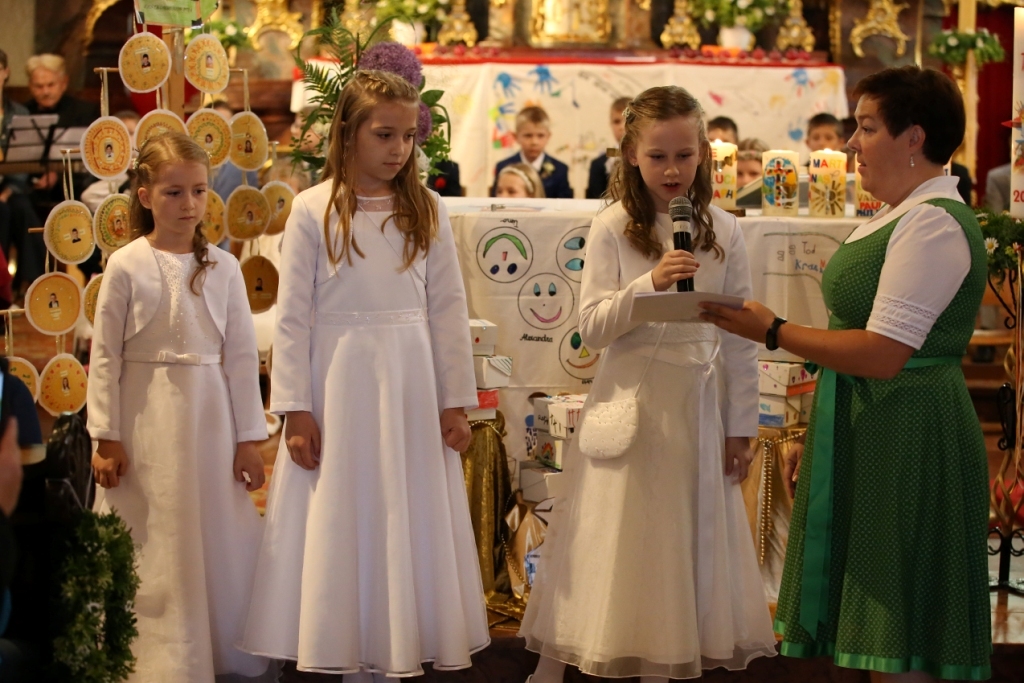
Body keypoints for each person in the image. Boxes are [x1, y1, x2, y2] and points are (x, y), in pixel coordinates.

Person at [700, 65, 992, 681]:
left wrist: (773, 330)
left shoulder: (933, 221)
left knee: (896, 628)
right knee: (868, 630)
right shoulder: (899, 213)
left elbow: (884, 353)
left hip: (909, 431)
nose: (852, 143)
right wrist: (820, 432)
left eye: (867, 127)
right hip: (872, 423)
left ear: (914, 137)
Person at [519, 86, 776, 683]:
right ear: (632, 155)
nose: (672, 170)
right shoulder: (613, 226)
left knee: (681, 543)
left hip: (697, 410)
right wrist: (649, 284)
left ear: (703, 153)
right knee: (618, 541)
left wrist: (741, 426)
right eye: (657, 156)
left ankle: (667, 662)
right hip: (631, 405)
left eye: (684, 155)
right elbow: (591, 329)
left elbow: (740, 341)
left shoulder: (724, 230)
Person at [240, 69, 488, 680]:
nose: (399, 149)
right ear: (349, 133)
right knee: (343, 510)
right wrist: (295, 409)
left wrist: (454, 400)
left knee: (404, 510)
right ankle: (343, 644)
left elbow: (448, 309)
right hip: (339, 385)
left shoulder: (426, 208)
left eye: (408, 137)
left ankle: (396, 644)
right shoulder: (311, 209)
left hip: (410, 386)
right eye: (384, 135)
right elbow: (292, 318)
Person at [88, 132, 273, 683]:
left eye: (198, 191)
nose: (189, 204)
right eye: (173, 192)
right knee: (152, 528)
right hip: (143, 420)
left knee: (210, 526)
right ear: (145, 196)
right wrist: (106, 434)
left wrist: (250, 438)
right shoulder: (125, 265)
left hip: (209, 421)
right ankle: (152, 653)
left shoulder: (225, 267)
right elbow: (105, 357)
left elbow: (241, 358)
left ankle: (217, 645)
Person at [0, 48, 44, 294]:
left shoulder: (19, 113)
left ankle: (29, 285)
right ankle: (4, 287)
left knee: (23, 210)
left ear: (6, 72)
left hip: (10, 186)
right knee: (3, 212)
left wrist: (7, 191)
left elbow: (24, 160)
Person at [492, 106, 572, 198]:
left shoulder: (560, 170)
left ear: (548, 137)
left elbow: (565, 204)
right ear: (516, 137)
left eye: (540, 136)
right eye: (528, 135)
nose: (534, 142)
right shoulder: (504, 166)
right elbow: (495, 201)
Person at [586, 96, 630, 199]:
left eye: (627, 120)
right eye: (616, 121)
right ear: (610, 124)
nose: (621, 127)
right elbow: (594, 200)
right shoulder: (598, 164)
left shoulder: (648, 158)